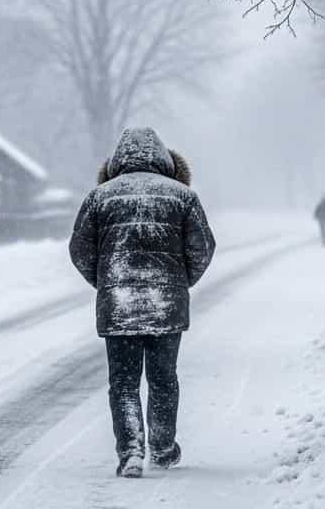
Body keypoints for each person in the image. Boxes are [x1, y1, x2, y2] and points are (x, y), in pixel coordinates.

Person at [70, 127, 216, 479]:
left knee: (123, 383)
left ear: (116, 160)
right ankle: (163, 449)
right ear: (166, 160)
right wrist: (180, 282)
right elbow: (202, 248)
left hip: (118, 304)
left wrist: (106, 282)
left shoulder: (99, 197)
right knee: (163, 379)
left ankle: (131, 452)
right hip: (166, 303)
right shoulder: (183, 196)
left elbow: (80, 250)